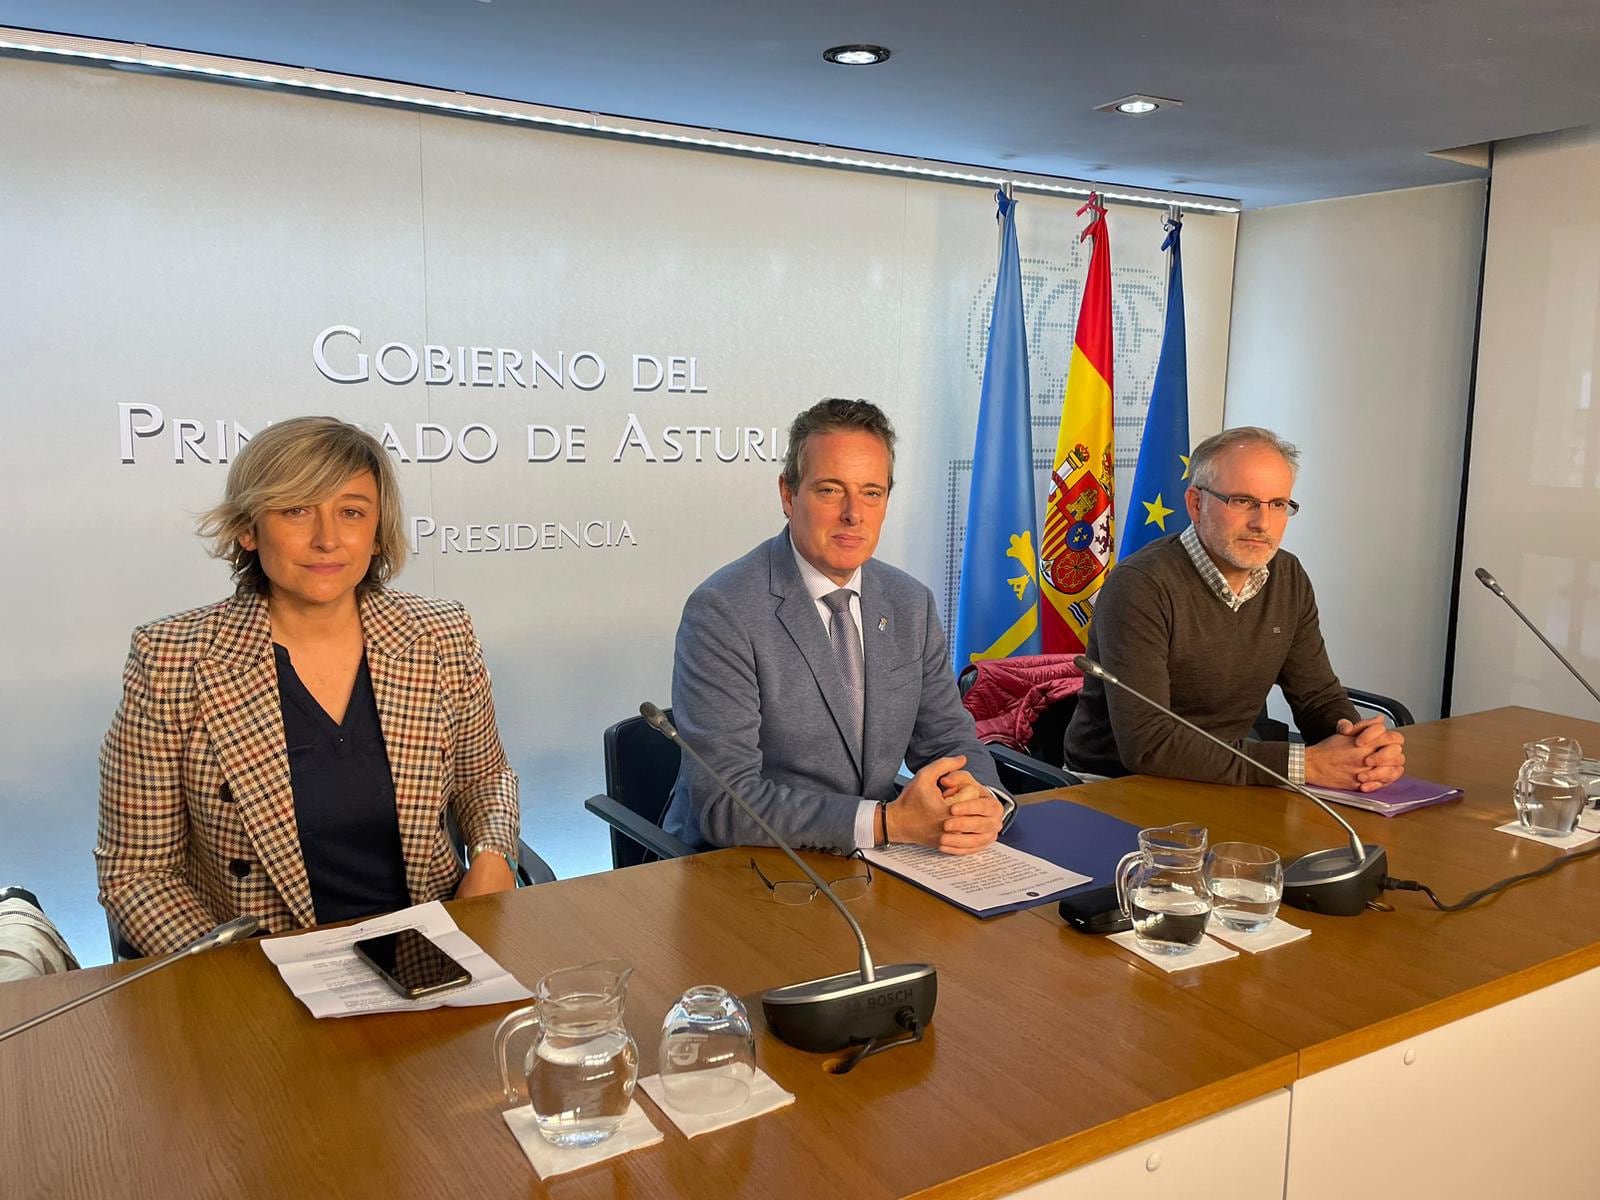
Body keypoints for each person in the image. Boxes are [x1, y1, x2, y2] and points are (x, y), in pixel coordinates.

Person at [96, 417, 522, 957]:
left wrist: (491, 856)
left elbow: (484, 778)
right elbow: (137, 872)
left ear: (376, 531)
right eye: (296, 510)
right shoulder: (173, 660)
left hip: (433, 948)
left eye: (351, 512)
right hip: (263, 969)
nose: (327, 538)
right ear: (248, 530)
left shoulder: (440, 633)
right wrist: (238, 972)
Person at [662, 398, 1008, 855]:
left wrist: (983, 801)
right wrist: (886, 823)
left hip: (876, 862)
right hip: (746, 866)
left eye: (871, 492)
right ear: (788, 495)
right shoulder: (723, 611)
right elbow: (728, 804)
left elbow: (948, 739)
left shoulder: (910, 603)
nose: (853, 513)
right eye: (830, 490)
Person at [1064, 426, 1406, 791]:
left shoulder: (1286, 575)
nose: (1263, 523)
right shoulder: (1140, 585)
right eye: (1243, 501)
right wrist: (1304, 764)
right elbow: (1148, 744)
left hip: (1227, 779)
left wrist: (1359, 748)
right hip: (1117, 787)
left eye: (1278, 505)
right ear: (1196, 504)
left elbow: (1316, 696)